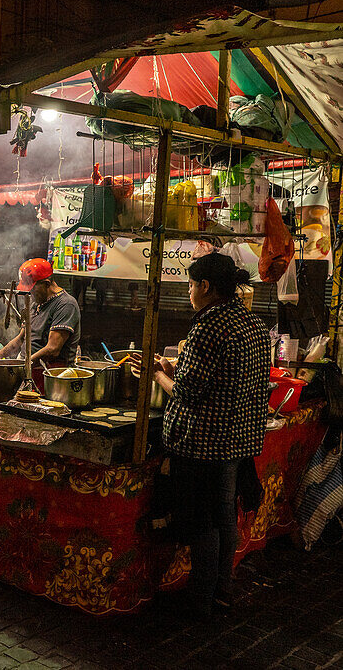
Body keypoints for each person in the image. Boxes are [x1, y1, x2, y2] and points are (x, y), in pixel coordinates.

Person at [133, 253, 269, 616]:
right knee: (224, 517)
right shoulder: (253, 323)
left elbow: (188, 392)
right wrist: (170, 367)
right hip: (238, 439)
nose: (190, 292)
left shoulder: (208, 326)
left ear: (205, 287)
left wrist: (154, 375)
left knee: (202, 523)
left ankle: (200, 600)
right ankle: (222, 590)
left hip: (205, 443)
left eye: (191, 285)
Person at [0, 258, 81, 378]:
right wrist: (0, 354)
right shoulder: (36, 304)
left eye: (32, 288)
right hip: (29, 368)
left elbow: (53, 349)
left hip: (50, 374)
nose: (30, 293)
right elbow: (21, 338)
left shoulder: (66, 305)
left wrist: (23, 365)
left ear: (47, 284)